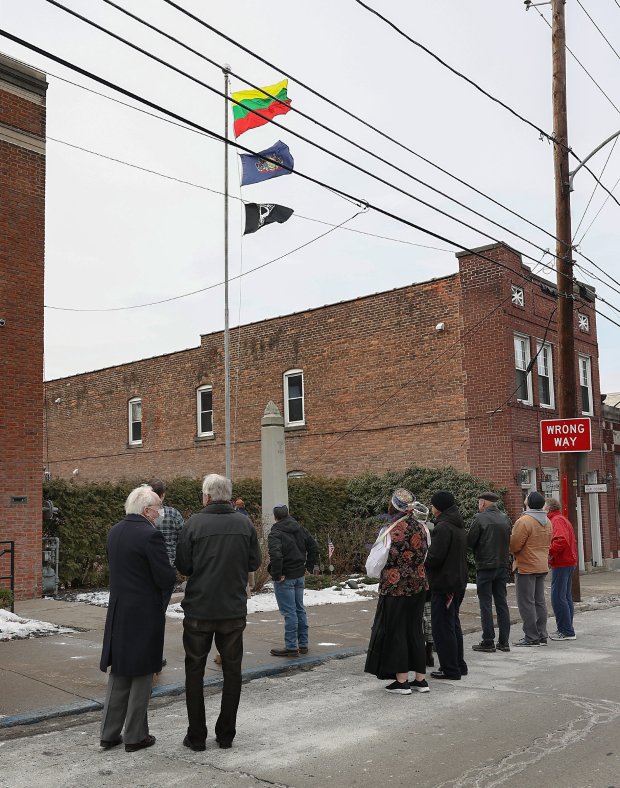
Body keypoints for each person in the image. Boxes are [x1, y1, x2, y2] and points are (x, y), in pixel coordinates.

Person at [175, 473, 261, 751]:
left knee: (194, 672)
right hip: (233, 610)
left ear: (207, 496)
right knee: (232, 672)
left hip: (199, 609)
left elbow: (184, 566)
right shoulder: (244, 523)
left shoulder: (193, 524)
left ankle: (196, 736)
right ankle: (226, 735)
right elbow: (254, 562)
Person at [99, 486, 176, 753]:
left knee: (120, 672)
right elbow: (165, 577)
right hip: (144, 613)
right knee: (142, 675)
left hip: (119, 612)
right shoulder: (150, 535)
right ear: (146, 510)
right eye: (157, 509)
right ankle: (135, 735)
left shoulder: (114, 531)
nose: (159, 514)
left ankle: (108, 734)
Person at [365, 489, 431, 694]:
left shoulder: (390, 530)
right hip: (418, 585)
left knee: (396, 631)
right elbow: (425, 554)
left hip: (395, 587)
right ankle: (420, 679)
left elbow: (374, 564)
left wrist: (385, 573)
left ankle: (402, 681)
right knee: (415, 629)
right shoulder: (423, 528)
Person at [424, 490, 468, 681]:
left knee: (442, 627)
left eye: (433, 505)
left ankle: (450, 668)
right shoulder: (457, 525)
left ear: (439, 507)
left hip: (445, 584)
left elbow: (435, 557)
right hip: (457, 581)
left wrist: (424, 559)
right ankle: (459, 664)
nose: (431, 508)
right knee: (453, 623)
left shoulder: (443, 527)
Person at [268, 504, 320, 658]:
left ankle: (291, 647)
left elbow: (276, 555)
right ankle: (303, 644)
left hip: (286, 578)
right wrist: (309, 566)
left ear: (275, 517)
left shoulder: (275, 532)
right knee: (299, 609)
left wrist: (277, 574)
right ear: (288, 514)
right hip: (299, 574)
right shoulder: (300, 528)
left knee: (289, 612)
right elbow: (313, 547)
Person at [467, 491, 512, 653]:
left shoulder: (479, 519)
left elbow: (469, 541)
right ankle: (504, 641)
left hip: (485, 566)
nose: (478, 505)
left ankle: (488, 640)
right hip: (502, 565)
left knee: (485, 603)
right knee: (501, 603)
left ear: (484, 503)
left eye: (479, 502)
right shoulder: (505, 518)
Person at [509, 490, 553, 646]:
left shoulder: (524, 521)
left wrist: (513, 552)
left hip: (526, 565)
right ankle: (542, 634)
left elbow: (514, 544)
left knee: (526, 602)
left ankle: (531, 636)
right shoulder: (547, 521)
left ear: (528, 503)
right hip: (541, 564)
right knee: (539, 601)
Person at [545, 498, 578, 641]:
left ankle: (566, 630)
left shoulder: (556, 520)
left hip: (562, 562)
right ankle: (567, 628)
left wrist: (549, 553)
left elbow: (561, 540)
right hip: (568, 562)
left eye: (544, 507)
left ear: (548, 508)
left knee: (558, 597)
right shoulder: (561, 519)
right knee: (565, 596)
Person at [147, 479, 184, 568]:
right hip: (169, 562)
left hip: (148, 563)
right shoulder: (173, 513)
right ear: (163, 494)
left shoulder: (143, 514)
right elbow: (183, 538)